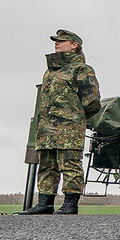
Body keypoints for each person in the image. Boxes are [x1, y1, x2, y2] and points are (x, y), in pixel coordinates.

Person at [18, 30, 101, 215]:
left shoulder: (81, 69)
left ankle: (70, 204)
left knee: (70, 164)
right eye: (56, 41)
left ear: (74, 45)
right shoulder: (49, 72)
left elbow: (93, 101)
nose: (57, 43)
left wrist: (74, 116)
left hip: (69, 127)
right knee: (47, 165)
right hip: (47, 127)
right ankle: (45, 203)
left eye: (62, 41)